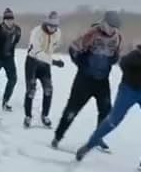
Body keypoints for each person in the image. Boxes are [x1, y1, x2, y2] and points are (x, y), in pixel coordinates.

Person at [75, 20, 141, 172]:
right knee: (113, 121)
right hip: (129, 90)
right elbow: (124, 63)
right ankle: (89, 145)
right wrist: (136, 76)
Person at [52, 11, 123, 151]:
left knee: (106, 110)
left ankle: (98, 137)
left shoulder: (118, 37)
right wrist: (81, 63)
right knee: (72, 109)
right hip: (84, 80)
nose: (112, 30)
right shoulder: (91, 34)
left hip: (102, 80)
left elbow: (116, 54)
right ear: (104, 23)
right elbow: (73, 48)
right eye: (110, 27)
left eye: (115, 28)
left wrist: (113, 60)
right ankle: (58, 136)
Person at [22, 11, 64, 128]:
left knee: (48, 89)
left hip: (45, 65)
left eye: (55, 26)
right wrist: (53, 61)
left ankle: (45, 115)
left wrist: (51, 57)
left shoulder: (58, 33)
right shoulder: (36, 32)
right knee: (31, 90)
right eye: (50, 25)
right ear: (46, 23)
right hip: (33, 62)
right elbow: (38, 52)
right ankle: (28, 116)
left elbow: (55, 45)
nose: (52, 28)